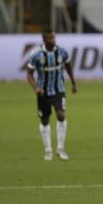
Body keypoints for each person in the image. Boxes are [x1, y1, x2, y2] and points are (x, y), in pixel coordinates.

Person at [27, 29, 77, 161]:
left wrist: (73, 83)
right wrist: (36, 88)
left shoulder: (62, 52)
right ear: (44, 40)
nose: (53, 40)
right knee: (45, 120)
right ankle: (48, 149)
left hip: (59, 89)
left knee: (61, 114)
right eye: (50, 38)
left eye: (54, 38)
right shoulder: (36, 54)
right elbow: (29, 74)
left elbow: (68, 66)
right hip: (42, 91)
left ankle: (60, 148)